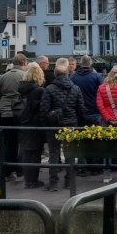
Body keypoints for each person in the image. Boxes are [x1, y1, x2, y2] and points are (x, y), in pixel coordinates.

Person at [41, 57, 83, 191]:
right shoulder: (75, 88)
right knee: (70, 153)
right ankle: (69, 181)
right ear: (67, 74)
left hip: (54, 125)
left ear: (55, 74)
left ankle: (53, 182)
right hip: (70, 124)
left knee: (53, 153)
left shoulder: (49, 89)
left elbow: (43, 110)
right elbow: (81, 109)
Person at [0, 52, 28, 181]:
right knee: (21, 142)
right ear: (24, 63)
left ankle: (6, 171)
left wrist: (0, 109)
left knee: (6, 142)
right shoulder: (24, 76)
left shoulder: (3, 77)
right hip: (19, 113)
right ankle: (19, 171)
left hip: (4, 113)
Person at [17, 63, 47, 188]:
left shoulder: (21, 88)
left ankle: (27, 180)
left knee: (26, 152)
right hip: (34, 125)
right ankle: (32, 181)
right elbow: (41, 109)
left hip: (22, 123)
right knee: (35, 153)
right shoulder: (39, 90)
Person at [96, 64, 117, 183]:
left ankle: (107, 175)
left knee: (107, 148)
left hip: (106, 122)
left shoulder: (102, 88)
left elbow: (100, 105)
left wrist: (108, 118)